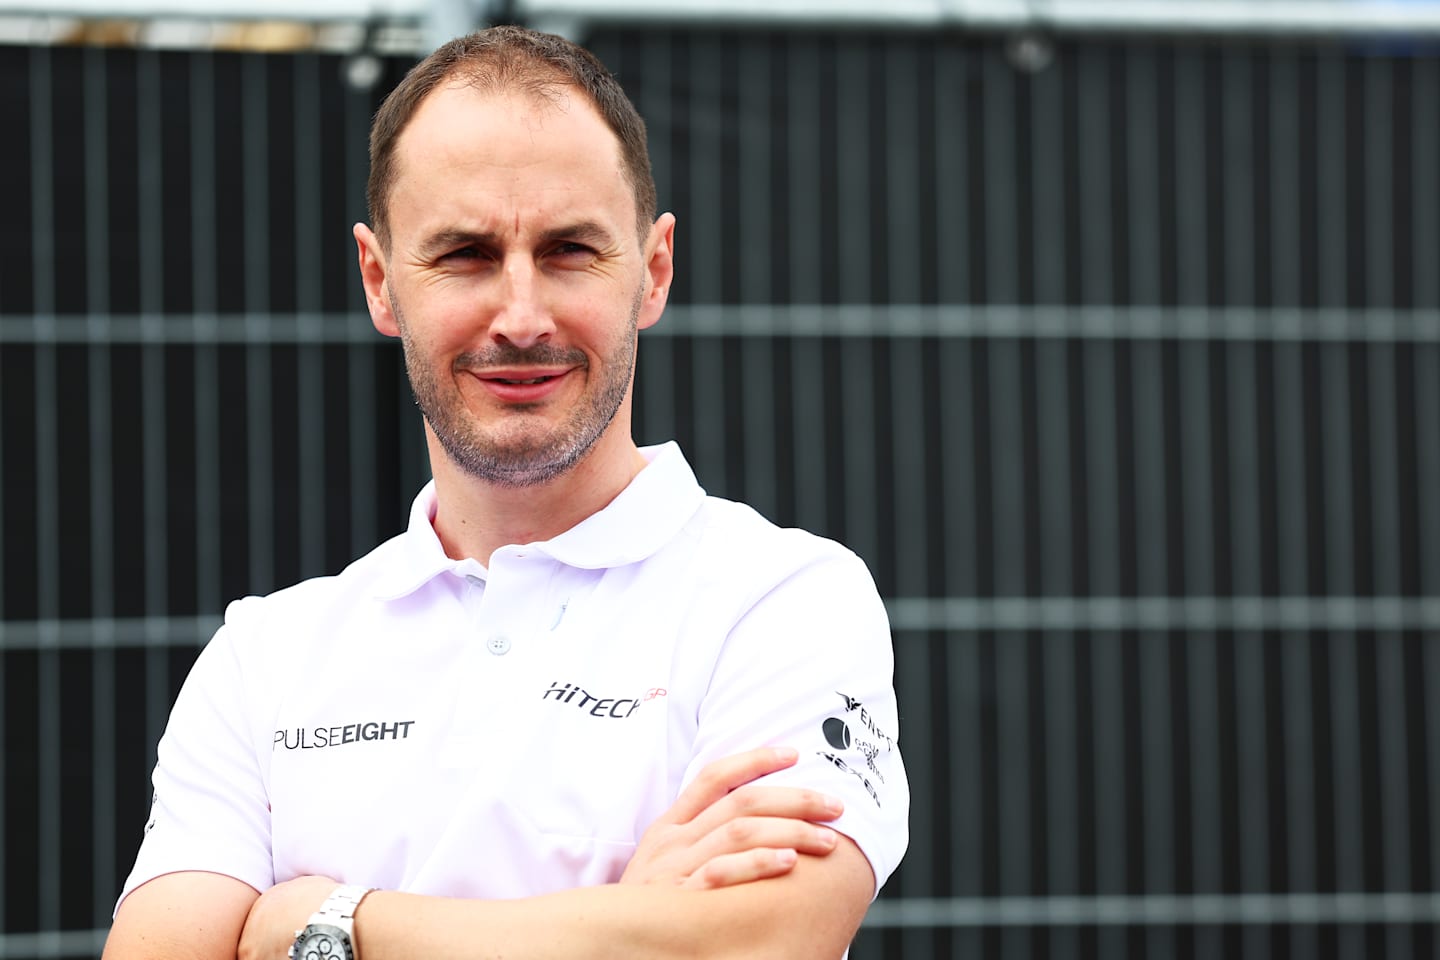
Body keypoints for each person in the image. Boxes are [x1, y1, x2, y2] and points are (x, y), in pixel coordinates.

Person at [103, 24, 907, 960]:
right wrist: (625, 926)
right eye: (465, 255)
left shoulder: (781, 601)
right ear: (380, 280)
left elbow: (751, 947)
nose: (521, 319)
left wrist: (328, 927)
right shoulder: (265, 659)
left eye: (570, 250)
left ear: (652, 271)